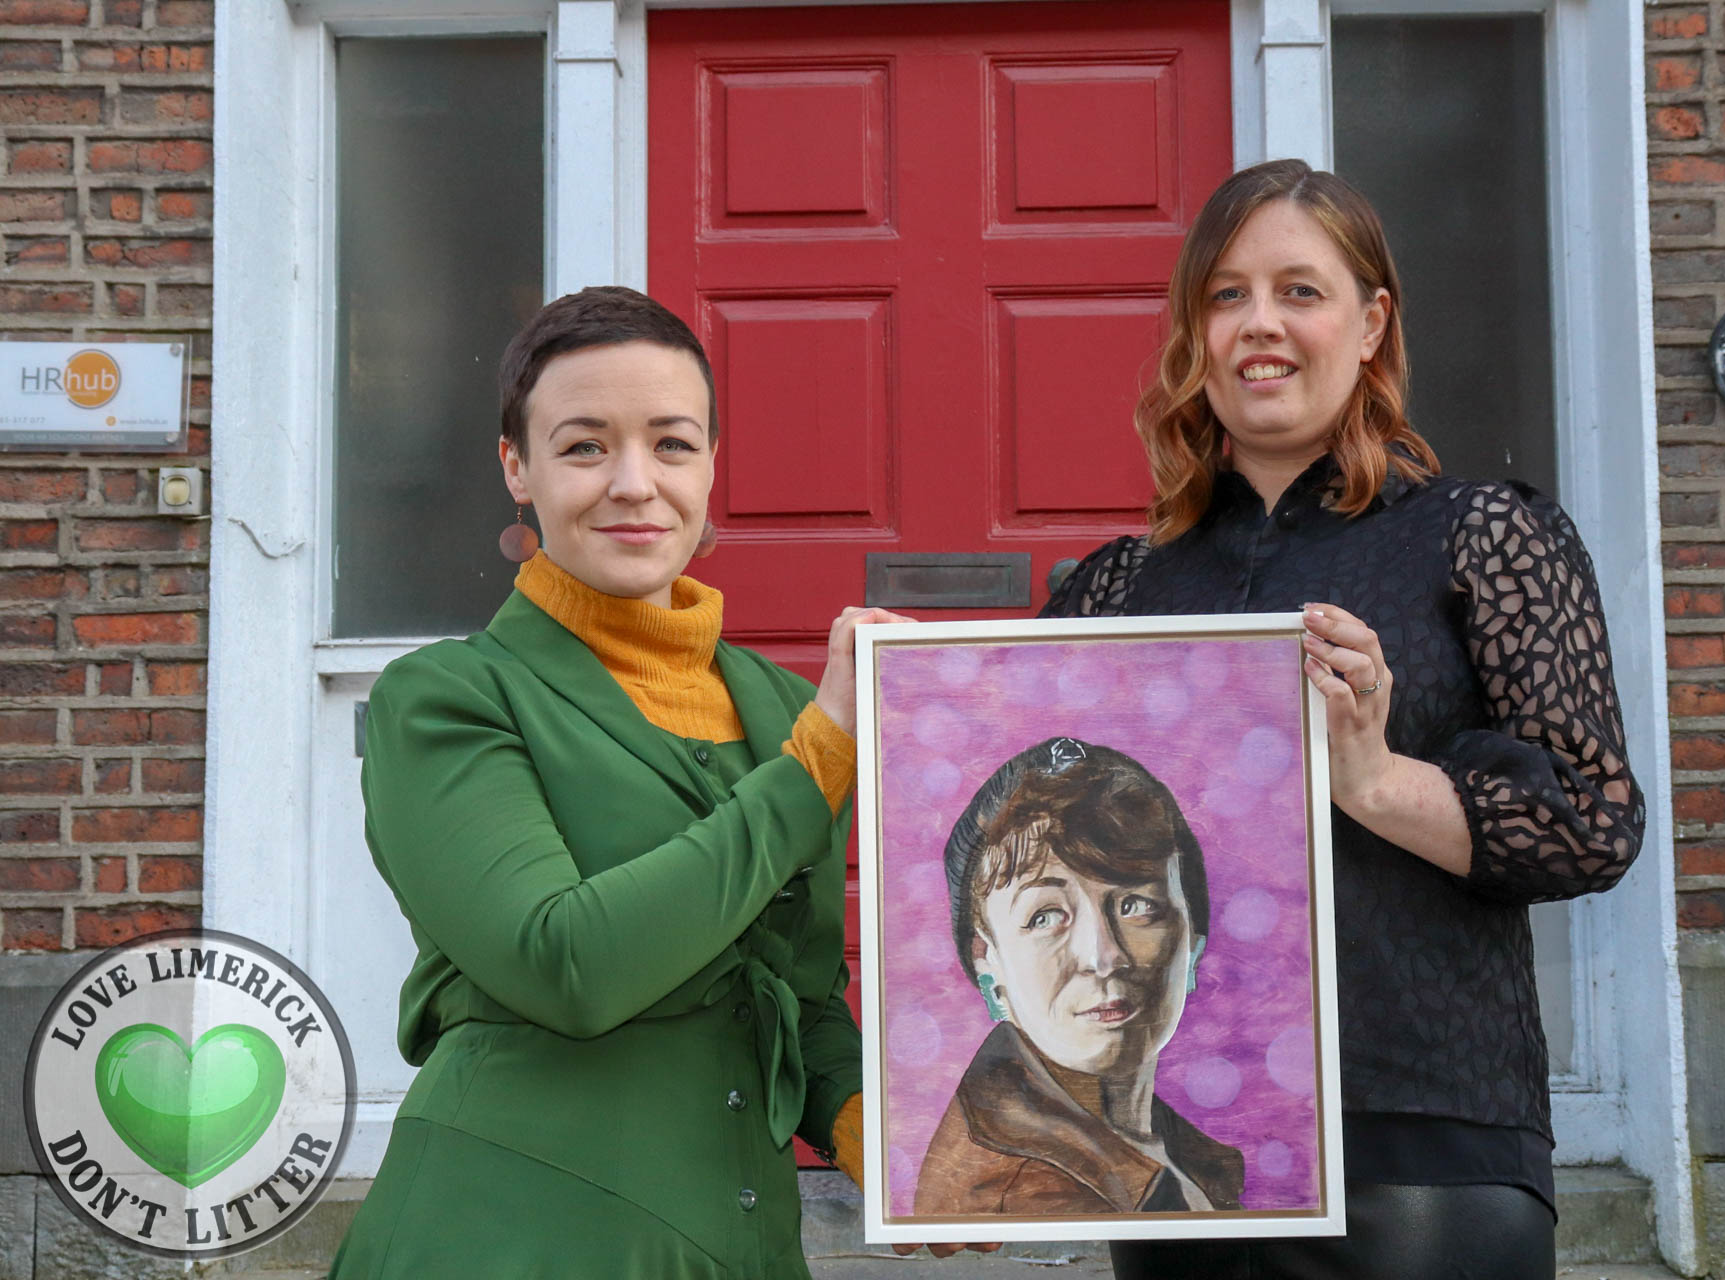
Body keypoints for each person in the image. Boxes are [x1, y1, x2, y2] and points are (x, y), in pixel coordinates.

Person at [1041, 160, 1645, 1279]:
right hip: (1185, 1146)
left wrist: (1368, 776)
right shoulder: (1116, 590)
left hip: (1425, 1140)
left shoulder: (1483, 535)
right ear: (1193, 333)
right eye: (1225, 295)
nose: (1258, 325)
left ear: (1371, 323)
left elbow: (1590, 825)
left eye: (1299, 291)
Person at [328, 286, 945, 1278]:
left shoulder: (785, 708)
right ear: (515, 468)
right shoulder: (446, 698)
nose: (632, 482)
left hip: (736, 1239)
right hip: (506, 1236)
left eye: (671, 442)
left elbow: (794, 989)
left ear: (711, 465)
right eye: (582, 446)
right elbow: (565, 962)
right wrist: (815, 764)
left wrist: (878, 1136)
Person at [914, 737, 1244, 1217]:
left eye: (1137, 906)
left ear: (1191, 938)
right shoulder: (1004, 1188)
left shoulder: (1186, 1157)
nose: (1102, 956)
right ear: (987, 957)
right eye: (1046, 916)